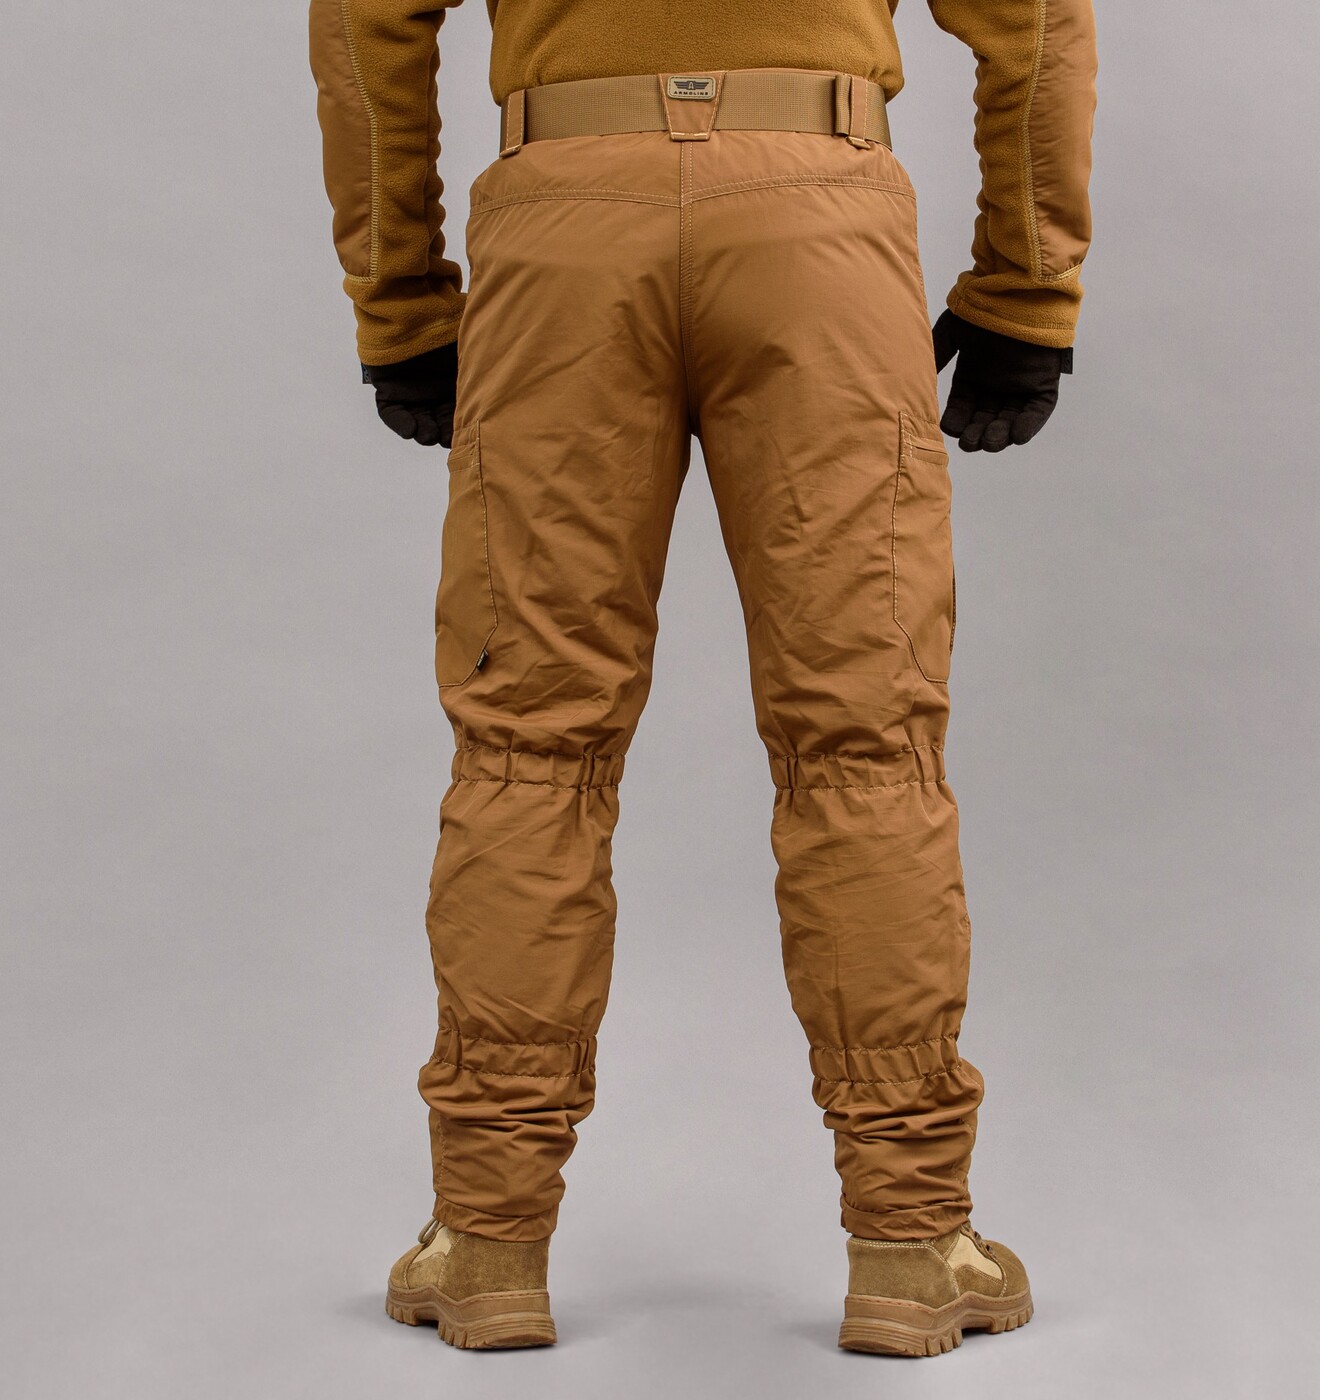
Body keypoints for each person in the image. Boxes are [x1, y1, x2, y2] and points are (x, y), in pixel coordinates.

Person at [309, 0, 1096, 1358]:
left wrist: (403, 298)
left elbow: (364, 20)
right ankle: (912, 1243)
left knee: (530, 747)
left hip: (563, 224)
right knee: (865, 745)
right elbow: (1033, 17)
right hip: (818, 220)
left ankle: (488, 1239)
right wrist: (1023, 286)